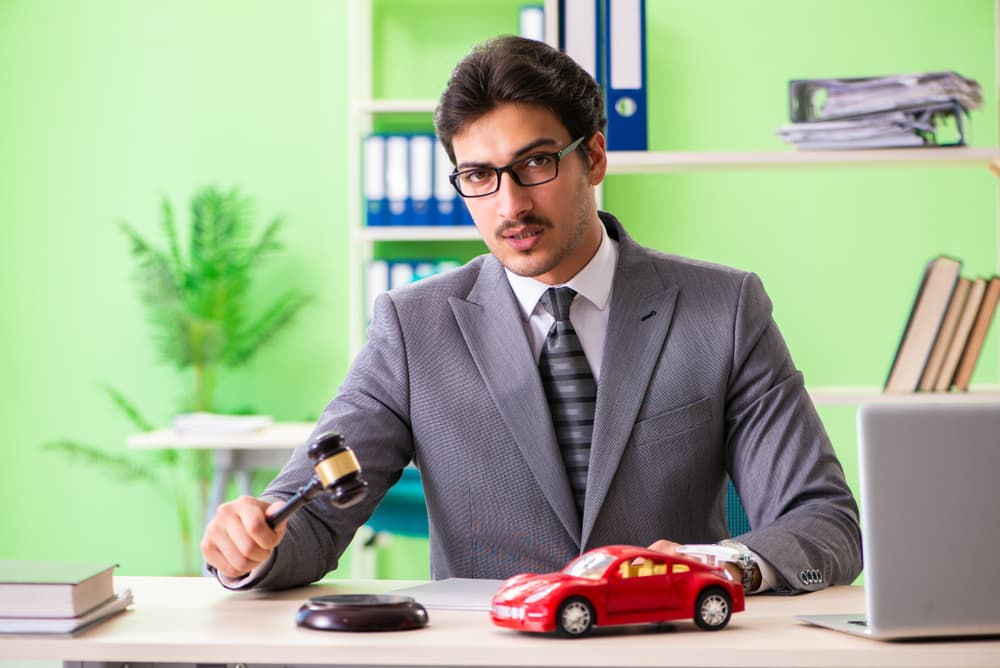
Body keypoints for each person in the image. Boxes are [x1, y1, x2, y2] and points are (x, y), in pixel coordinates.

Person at [200, 35, 862, 594]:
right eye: (478, 176)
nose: (508, 204)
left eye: (534, 164)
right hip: (489, 658)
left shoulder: (722, 310)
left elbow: (826, 524)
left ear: (594, 157)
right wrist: (252, 544)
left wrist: (720, 564)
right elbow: (308, 523)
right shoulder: (412, 328)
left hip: (669, 648)